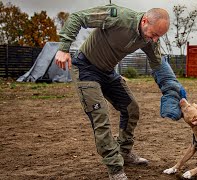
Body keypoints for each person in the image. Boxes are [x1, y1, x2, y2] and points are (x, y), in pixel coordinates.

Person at [54, 3, 186, 180]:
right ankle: (115, 168)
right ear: (144, 21)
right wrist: (64, 48)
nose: (155, 40)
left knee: (132, 109)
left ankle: (124, 152)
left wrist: (172, 90)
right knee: (101, 118)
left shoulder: (149, 39)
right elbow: (78, 17)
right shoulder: (117, 17)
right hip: (86, 69)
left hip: (108, 72)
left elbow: (158, 65)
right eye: (154, 34)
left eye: (158, 36)